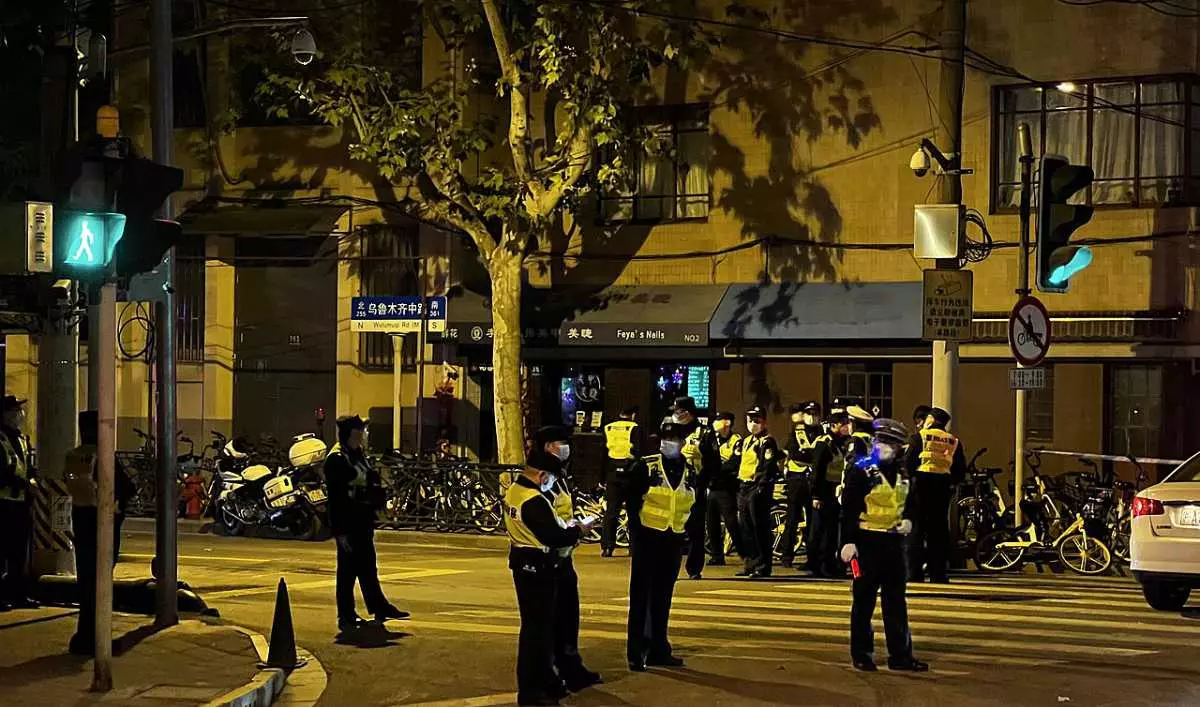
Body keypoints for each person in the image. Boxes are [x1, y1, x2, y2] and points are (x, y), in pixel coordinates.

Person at [840, 418, 928, 673]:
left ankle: (900, 656)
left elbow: (911, 504)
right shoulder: (861, 471)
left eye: (891, 443)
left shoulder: (903, 474)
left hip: (893, 544)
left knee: (896, 602)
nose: (884, 446)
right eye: (881, 441)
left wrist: (910, 521)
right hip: (866, 544)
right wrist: (848, 542)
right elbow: (848, 510)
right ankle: (862, 654)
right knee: (864, 602)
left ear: (900, 447)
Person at [506, 446, 591, 706]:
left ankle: (546, 683)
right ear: (542, 475)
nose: (552, 483)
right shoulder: (534, 501)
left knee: (538, 631)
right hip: (538, 567)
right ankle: (532, 692)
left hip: (525, 563)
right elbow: (553, 536)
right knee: (537, 634)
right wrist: (578, 531)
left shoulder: (515, 491)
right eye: (550, 477)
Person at [325, 415, 408, 632]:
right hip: (348, 522)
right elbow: (336, 498)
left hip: (362, 519)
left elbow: (368, 479)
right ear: (349, 434)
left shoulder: (357, 454)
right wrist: (339, 531)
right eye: (359, 431)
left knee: (368, 566)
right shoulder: (337, 459)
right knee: (347, 571)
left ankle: (379, 606)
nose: (362, 435)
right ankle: (345, 616)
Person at [625, 422, 697, 671]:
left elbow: (693, 506)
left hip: (672, 540)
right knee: (641, 597)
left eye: (675, 439)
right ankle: (636, 652)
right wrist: (636, 535)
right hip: (648, 538)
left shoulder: (689, 470)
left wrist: (690, 540)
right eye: (666, 439)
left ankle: (658, 648)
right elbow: (632, 501)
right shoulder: (646, 465)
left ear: (683, 442)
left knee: (662, 597)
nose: (671, 443)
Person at [536, 426, 602, 694]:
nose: (565, 448)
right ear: (546, 447)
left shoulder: (559, 476)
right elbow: (544, 519)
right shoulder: (542, 478)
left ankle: (571, 668)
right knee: (549, 621)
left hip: (564, 557)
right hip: (547, 559)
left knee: (568, 617)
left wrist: (575, 526)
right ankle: (551, 675)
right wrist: (575, 529)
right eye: (559, 443)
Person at [64, 410, 136, 654]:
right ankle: (98, 638)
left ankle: (84, 635)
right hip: (103, 522)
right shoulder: (103, 455)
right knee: (102, 582)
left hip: (80, 520)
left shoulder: (75, 455)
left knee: (86, 582)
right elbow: (127, 486)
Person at [905, 406, 967, 584]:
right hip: (942, 489)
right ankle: (938, 573)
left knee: (916, 529)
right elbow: (959, 469)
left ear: (930, 420)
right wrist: (951, 483)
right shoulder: (953, 441)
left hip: (920, 486)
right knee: (938, 531)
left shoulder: (920, 437)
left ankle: (913, 572)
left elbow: (908, 463)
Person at [808, 407, 870, 578]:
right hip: (824, 491)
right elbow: (817, 471)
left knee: (832, 531)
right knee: (819, 531)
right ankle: (816, 564)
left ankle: (830, 564)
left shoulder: (845, 443)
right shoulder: (824, 443)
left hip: (837, 491)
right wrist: (816, 495)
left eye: (847, 423)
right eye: (842, 423)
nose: (845, 426)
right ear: (833, 425)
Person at [668, 397, 720, 580]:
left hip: (695, 486)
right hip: (671, 487)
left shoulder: (704, 433)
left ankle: (694, 568)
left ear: (687, 413)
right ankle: (670, 568)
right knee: (672, 529)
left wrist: (702, 456)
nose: (675, 414)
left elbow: (715, 462)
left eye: (678, 411)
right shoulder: (671, 431)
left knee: (695, 530)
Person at [0, 395, 36, 612]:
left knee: (18, 553)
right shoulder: (1, 439)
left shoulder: (21, 438)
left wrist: (32, 477)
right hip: (3, 503)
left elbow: (24, 465)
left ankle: (18, 595)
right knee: (2, 552)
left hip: (21, 504)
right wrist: (23, 483)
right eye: (14, 410)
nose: (19, 414)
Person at [735, 406, 779, 579]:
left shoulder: (767, 442)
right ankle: (750, 563)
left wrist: (761, 486)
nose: (753, 424)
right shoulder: (746, 441)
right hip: (744, 487)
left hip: (757, 488)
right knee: (745, 528)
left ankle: (763, 565)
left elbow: (767, 467)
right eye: (750, 420)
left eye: (757, 421)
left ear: (764, 422)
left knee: (759, 528)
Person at [780, 401, 821, 569]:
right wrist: (810, 456)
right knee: (792, 518)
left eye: (815, 413)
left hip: (813, 481)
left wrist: (809, 455)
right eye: (809, 413)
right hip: (796, 480)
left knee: (813, 522)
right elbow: (795, 453)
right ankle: (787, 555)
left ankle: (812, 559)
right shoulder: (797, 432)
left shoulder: (821, 432)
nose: (812, 416)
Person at [601, 406, 641, 557]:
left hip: (612, 476)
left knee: (611, 512)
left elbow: (603, 455)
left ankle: (607, 547)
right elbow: (639, 452)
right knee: (634, 513)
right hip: (631, 476)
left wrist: (602, 478)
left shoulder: (608, 428)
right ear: (633, 415)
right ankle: (634, 547)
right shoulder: (635, 428)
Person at [705, 412, 743, 566]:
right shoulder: (712, 439)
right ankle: (716, 555)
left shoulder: (736, 440)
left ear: (727, 423)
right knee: (711, 522)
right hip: (712, 487)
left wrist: (717, 469)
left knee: (731, 522)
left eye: (719, 420)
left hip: (727, 487)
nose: (716, 423)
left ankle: (745, 554)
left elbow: (735, 462)